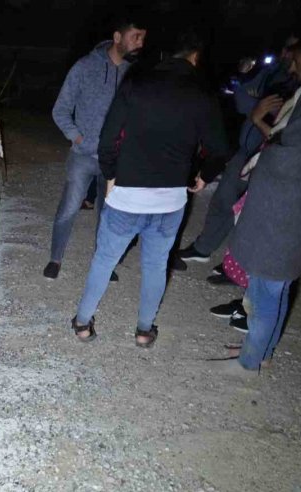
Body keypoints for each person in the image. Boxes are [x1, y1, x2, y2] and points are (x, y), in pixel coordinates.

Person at [70, 31, 228, 346]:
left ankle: (83, 323)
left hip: (127, 195)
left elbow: (107, 140)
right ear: (195, 57)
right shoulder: (203, 95)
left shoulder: (135, 84)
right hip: (170, 200)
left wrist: (112, 175)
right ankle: (144, 330)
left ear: (162, 55)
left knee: (104, 259)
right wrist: (203, 175)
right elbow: (219, 148)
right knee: (156, 265)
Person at [209, 37, 301, 376]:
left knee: (266, 288)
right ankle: (261, 351)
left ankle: (249, 362)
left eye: (296, 57)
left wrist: (267, 156)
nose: (291, 64)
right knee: (278, 286)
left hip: (288, 211)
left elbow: (294, 152)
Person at [175, 35, 299, 272]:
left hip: (271, 157)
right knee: (223, 200)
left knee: (252, 214)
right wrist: (256, 108)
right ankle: (203, 248)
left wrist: (257, 111)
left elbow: (281, 123)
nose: (287, 56)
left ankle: (237, 266)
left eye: (292, 51)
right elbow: (243, 98)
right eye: (285, 48)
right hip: (246, 149)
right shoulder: (270, 72)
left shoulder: (299, 86)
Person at [43, 16, 146, 280]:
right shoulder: (85, 66)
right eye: (136, 37)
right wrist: (80, 139)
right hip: (83, 156)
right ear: (117, 37)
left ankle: (103, 264)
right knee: (68, 208)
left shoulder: (134, 75)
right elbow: (61, 110)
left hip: (115, 160)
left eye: (143, 38)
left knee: (108, 214)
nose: (140, 43)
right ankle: (55, 258)